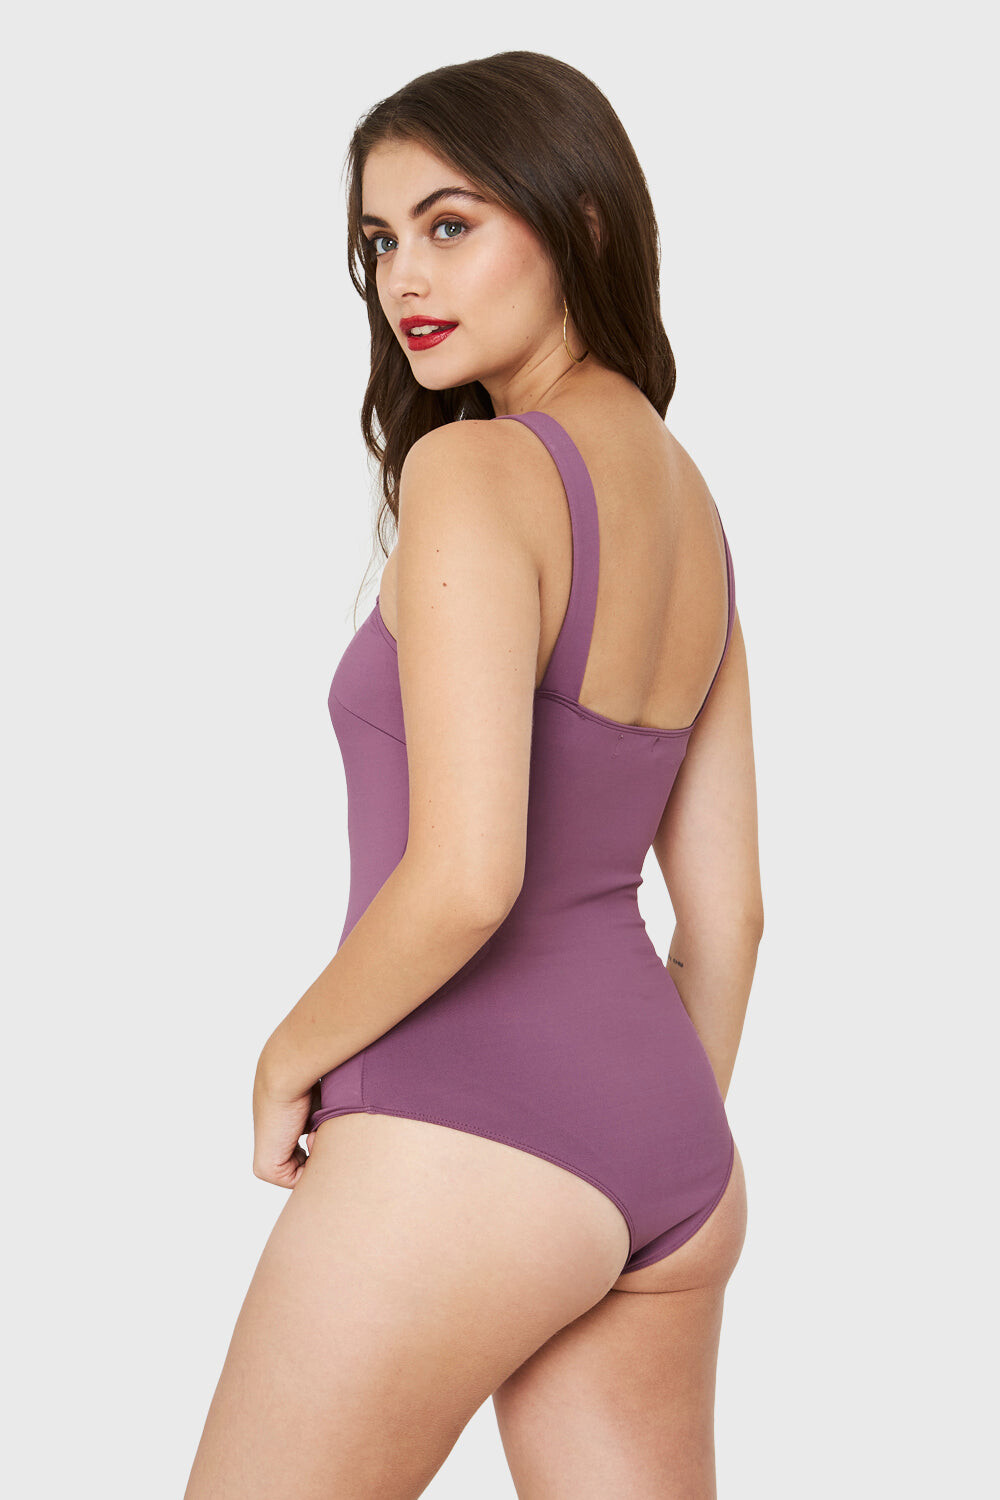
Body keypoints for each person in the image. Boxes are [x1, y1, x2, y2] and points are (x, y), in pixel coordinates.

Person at [184, 49, 763, 1500]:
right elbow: (733, 916)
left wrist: (285, 1060)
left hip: (465, 1120)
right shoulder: (692, 508)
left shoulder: (481, 471)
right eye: (381, 241)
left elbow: (466, 877)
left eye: (451, 224)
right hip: (674, 1156)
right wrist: (634, 1137)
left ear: (581, 220)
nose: (405, 278)